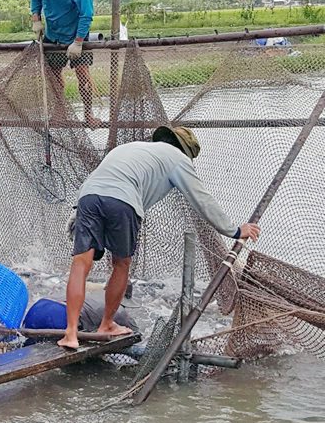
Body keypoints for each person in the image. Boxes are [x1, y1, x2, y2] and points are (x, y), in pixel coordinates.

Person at [58, 125, 261, 350]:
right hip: (124, 201)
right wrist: (233, 230)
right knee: (121, 264)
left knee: (80, 263)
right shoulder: (178, 159)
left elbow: (101, 180)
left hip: (88, 197)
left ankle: (70, 333)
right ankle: (106, 324)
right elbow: (202, 201)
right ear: (185, 151)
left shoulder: (130, 148)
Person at [29, 0, 99, 127]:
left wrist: (78, 42)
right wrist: (36, 19)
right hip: (53, 35)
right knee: (53, 76)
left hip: (76, 35)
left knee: (83, 75)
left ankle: (88, 114)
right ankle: (60, 110)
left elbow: (86, 14)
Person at [24, 294, 138, 334]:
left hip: (37, 308)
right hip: (60, 315)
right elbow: (135, 334)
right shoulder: (119, 310)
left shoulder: (92, 294)